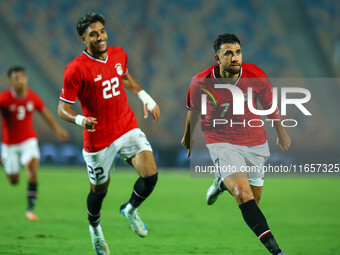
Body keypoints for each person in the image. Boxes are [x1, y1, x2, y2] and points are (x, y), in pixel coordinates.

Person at [58, 13, 160, 255]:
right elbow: (62, 108)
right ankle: (95, 230)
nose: (100, 37)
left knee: (151, 175)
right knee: (99, 191)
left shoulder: (118, 54)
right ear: (84, 39)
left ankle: (130, 209)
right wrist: (80, 119)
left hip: (126, 126)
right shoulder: (75, 70)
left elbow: (124, 76)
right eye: (93, 34)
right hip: (98, 138)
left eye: (102, 31)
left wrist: (146, 97)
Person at [181, 33, 291, 255]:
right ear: (217, 58)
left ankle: (221, 184)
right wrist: (188, 136)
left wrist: (281, 133)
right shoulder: (200, 82)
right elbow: (193, 111)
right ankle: (277, 251)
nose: (234, 58)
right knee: (242, 195)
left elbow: (270, 107)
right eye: (228, 53)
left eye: (238, 52)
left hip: (254, 139)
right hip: (220, 140)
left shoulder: (256, 75)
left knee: (253, 200)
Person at [0, 66, 69, 221]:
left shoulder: (33, 97)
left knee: (32, 171)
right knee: (13, 180)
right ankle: (7, 163)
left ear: (26, 79)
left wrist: (58, 129)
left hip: (28, 141)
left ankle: (30, 210)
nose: (20, 81)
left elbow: (45, 114)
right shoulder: (3, 99)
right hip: (9, 144)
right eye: (16, 78)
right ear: (11, 82)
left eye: (22, 77)